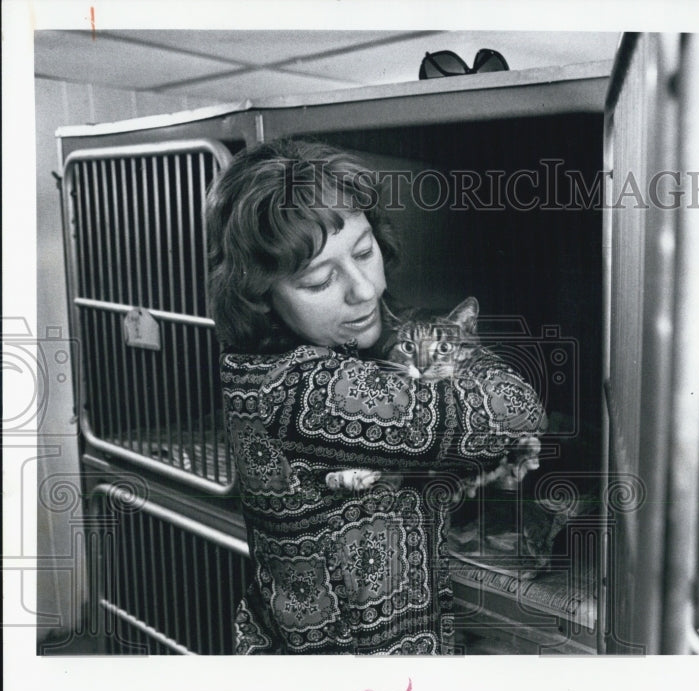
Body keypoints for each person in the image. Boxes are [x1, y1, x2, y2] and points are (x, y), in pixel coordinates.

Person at [206, 138, 547, 654]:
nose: (365, 290)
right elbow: (517, 408)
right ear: (260, 296)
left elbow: (396, 493)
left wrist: (478, 470)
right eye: (320, 280)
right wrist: (456, 351)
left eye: (365, 252)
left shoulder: (342, 354)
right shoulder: (303, 393)